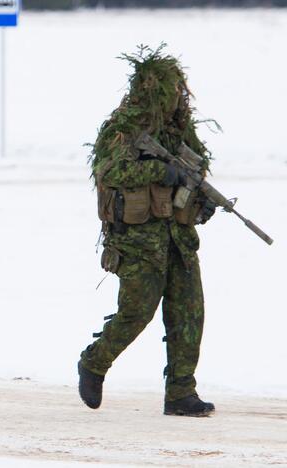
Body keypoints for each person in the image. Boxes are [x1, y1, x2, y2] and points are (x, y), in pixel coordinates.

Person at [78, 45, 218, 416]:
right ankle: (94, 362)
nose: (174, 99)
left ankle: (180, 393)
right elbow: (109, 172)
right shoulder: (123, 130)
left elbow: (196, 168)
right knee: (136, 313)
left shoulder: (179, 132)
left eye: (177, 92)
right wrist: (160, 172)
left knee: (189, 313)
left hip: (178, 239)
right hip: (139, 242)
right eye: (167, 92)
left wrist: (200, 200)